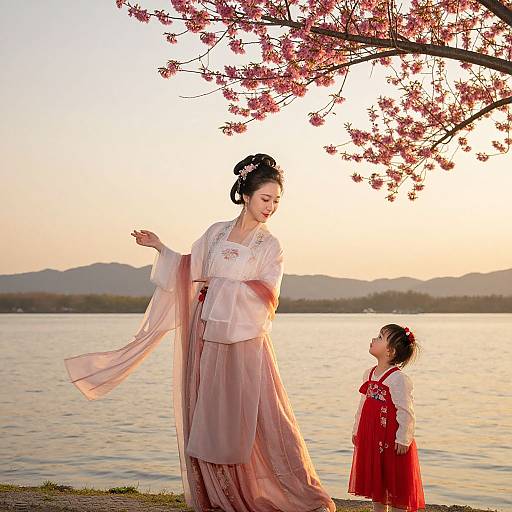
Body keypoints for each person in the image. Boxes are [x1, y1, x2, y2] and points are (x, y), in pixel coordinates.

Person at [64, 153, 335, 512]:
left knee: (260, 417)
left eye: (276, 202)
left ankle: (287, 490)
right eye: (265, 199)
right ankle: (217, 492)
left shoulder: (269, 246)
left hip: (244, 338)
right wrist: (160, 247)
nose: (271, 208)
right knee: (206, 415)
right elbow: (191, 269)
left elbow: (268, 293)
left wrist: (221, 286)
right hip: (206, 334)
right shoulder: (217, 232)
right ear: (245, 194)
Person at [348, 324, 425, 512]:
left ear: (390, 352)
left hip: (392, 440)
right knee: (377, 480)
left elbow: (406, 411)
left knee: (395, 480)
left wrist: (403, 438)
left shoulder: (398, 379)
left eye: (380, 337)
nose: (374, 339)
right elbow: (363, 405)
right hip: (372, 436)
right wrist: (357, 430)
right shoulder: (369, 374)